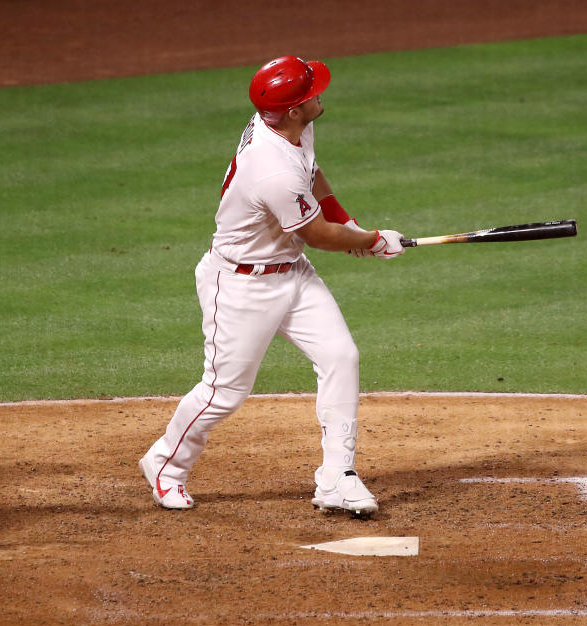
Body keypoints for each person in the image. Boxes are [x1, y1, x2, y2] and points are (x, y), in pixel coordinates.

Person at [139, 56, 403, 518]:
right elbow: (317, 234)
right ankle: (165, 464)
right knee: (224, 392)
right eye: (312, 92)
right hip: (241, 285)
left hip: (292, 272)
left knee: (341, 356)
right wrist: (373, 240)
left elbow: (313, 176)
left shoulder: (288, 125)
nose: (321, 94)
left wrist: (352, 225)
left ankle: (337, 477)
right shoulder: (271, 166)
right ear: (296, 109)